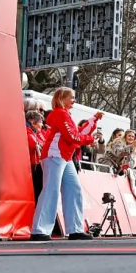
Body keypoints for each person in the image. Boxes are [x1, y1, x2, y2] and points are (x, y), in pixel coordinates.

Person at [31, 87, 102, 241]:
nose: (74, 100)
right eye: (72, 97)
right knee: (51, 190)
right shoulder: (59, 114)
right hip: (54, 154)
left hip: (64, 156)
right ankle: (39, 229)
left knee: (73, 189)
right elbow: (73, 137)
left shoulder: (66, 115)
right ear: (63, 98)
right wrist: (90, 140)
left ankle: (75, 229)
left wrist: (93, 120)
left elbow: (78, 133)